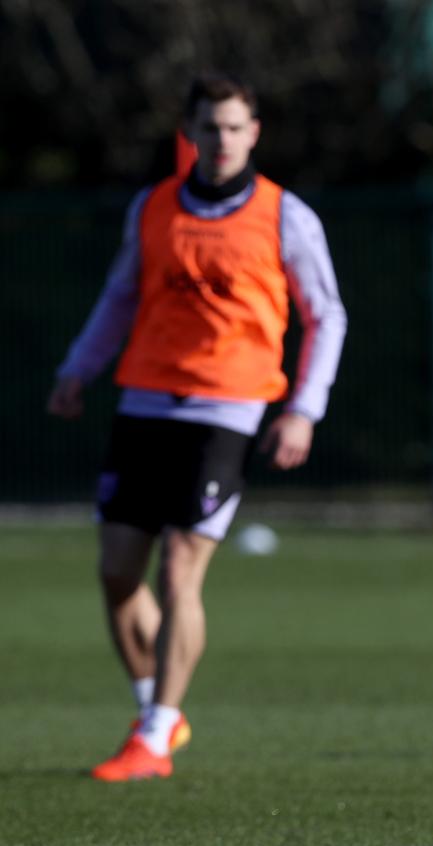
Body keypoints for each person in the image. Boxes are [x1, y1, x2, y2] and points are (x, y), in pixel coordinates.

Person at [47, 71, 347, 782]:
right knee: (117, 572)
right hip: (144, 402)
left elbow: (325, 314)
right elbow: (121, 296)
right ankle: (160, 710)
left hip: (229, 409)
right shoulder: (153, 208)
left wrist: (304, 407)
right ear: (189, 134)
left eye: (235, 127)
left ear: (254, 134)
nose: (222, 140)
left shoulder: (285, 216)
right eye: (209, 128)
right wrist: (77, 368)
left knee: (180, 568)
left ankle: (151, 738)